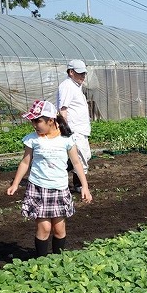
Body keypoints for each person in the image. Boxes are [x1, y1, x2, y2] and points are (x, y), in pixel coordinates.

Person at [6, 100, 92, 258]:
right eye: (33, 121)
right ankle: (41, 262)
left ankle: (58, 262)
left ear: (51, 120)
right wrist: (15, 184)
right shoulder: (33, 139)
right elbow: (26, 162)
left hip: (59, 188)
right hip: (38, 188)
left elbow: (76, 162)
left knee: (59, 229)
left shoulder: (66, 139)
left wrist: (85, 186)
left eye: (37, 121)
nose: (34, 125)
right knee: (44, 228)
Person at [57, 59, 92, 193]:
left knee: (82, 157)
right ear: (71, 72)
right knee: (80, 158)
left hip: (81, 130)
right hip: (74, 130)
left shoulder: (76, 86)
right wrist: (66, 130)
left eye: (84, 73)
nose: (83, 76)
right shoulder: (67, 86)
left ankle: (72, 182)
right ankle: (77, 185)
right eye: (80, 73)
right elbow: (63, 109)